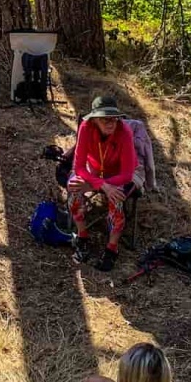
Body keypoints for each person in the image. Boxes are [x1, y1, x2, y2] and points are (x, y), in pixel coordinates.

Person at [67, 96, 143, 272]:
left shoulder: (124, 132)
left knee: (116, 197)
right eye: (105, 119)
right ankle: (82, 236)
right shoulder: (86, 128)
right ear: (94, 120)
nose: (111, 123)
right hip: (95, 172)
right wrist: (99, 184)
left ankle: (112, 248)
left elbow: (126, 174)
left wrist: (100, 186)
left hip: (120, 175)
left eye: (114, 118)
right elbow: (78, 167)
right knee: (74, 187)